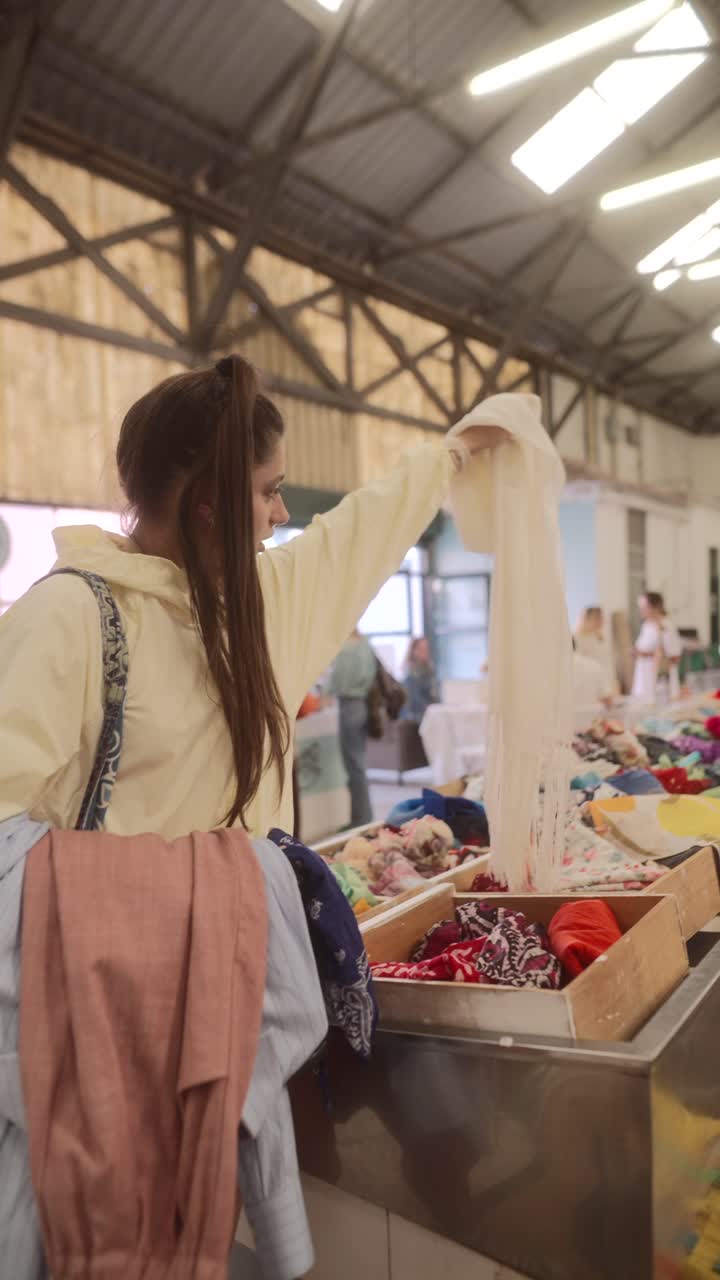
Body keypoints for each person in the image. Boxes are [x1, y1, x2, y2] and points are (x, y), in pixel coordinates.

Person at [0, 355, 504, 1272]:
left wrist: (454, 453)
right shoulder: (69, 624)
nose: (282, 513)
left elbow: (359, 531)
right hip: (110, 1046)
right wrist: (205, 890)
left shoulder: (254, 609)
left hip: (227, 1029)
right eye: (269, 491)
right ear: (205, 501)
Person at [330, 629, 377, 828]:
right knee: (358, 763)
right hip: (363, 705)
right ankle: (361, 815)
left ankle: (361, 818)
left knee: (354, 766)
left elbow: (337, 678)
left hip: (349, 706)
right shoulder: (366, 645)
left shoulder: (345, 648)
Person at [632, 591, 682, 702]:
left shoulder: (666, 625)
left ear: (656, 607)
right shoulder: (646, 625)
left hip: (659, 680)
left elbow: (674, 656)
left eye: (644, 607)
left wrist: (647, 654)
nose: (641, 611)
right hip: (644, 677)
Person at [401, 636, 439, 724]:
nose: (425, 651)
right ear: (414, 651)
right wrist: (431, 709)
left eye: (427, 648)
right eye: (422, 648)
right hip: (414, 718)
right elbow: (413, 699)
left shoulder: (429, 670)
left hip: (430, 714)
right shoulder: (410, 673)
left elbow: (433, 695)